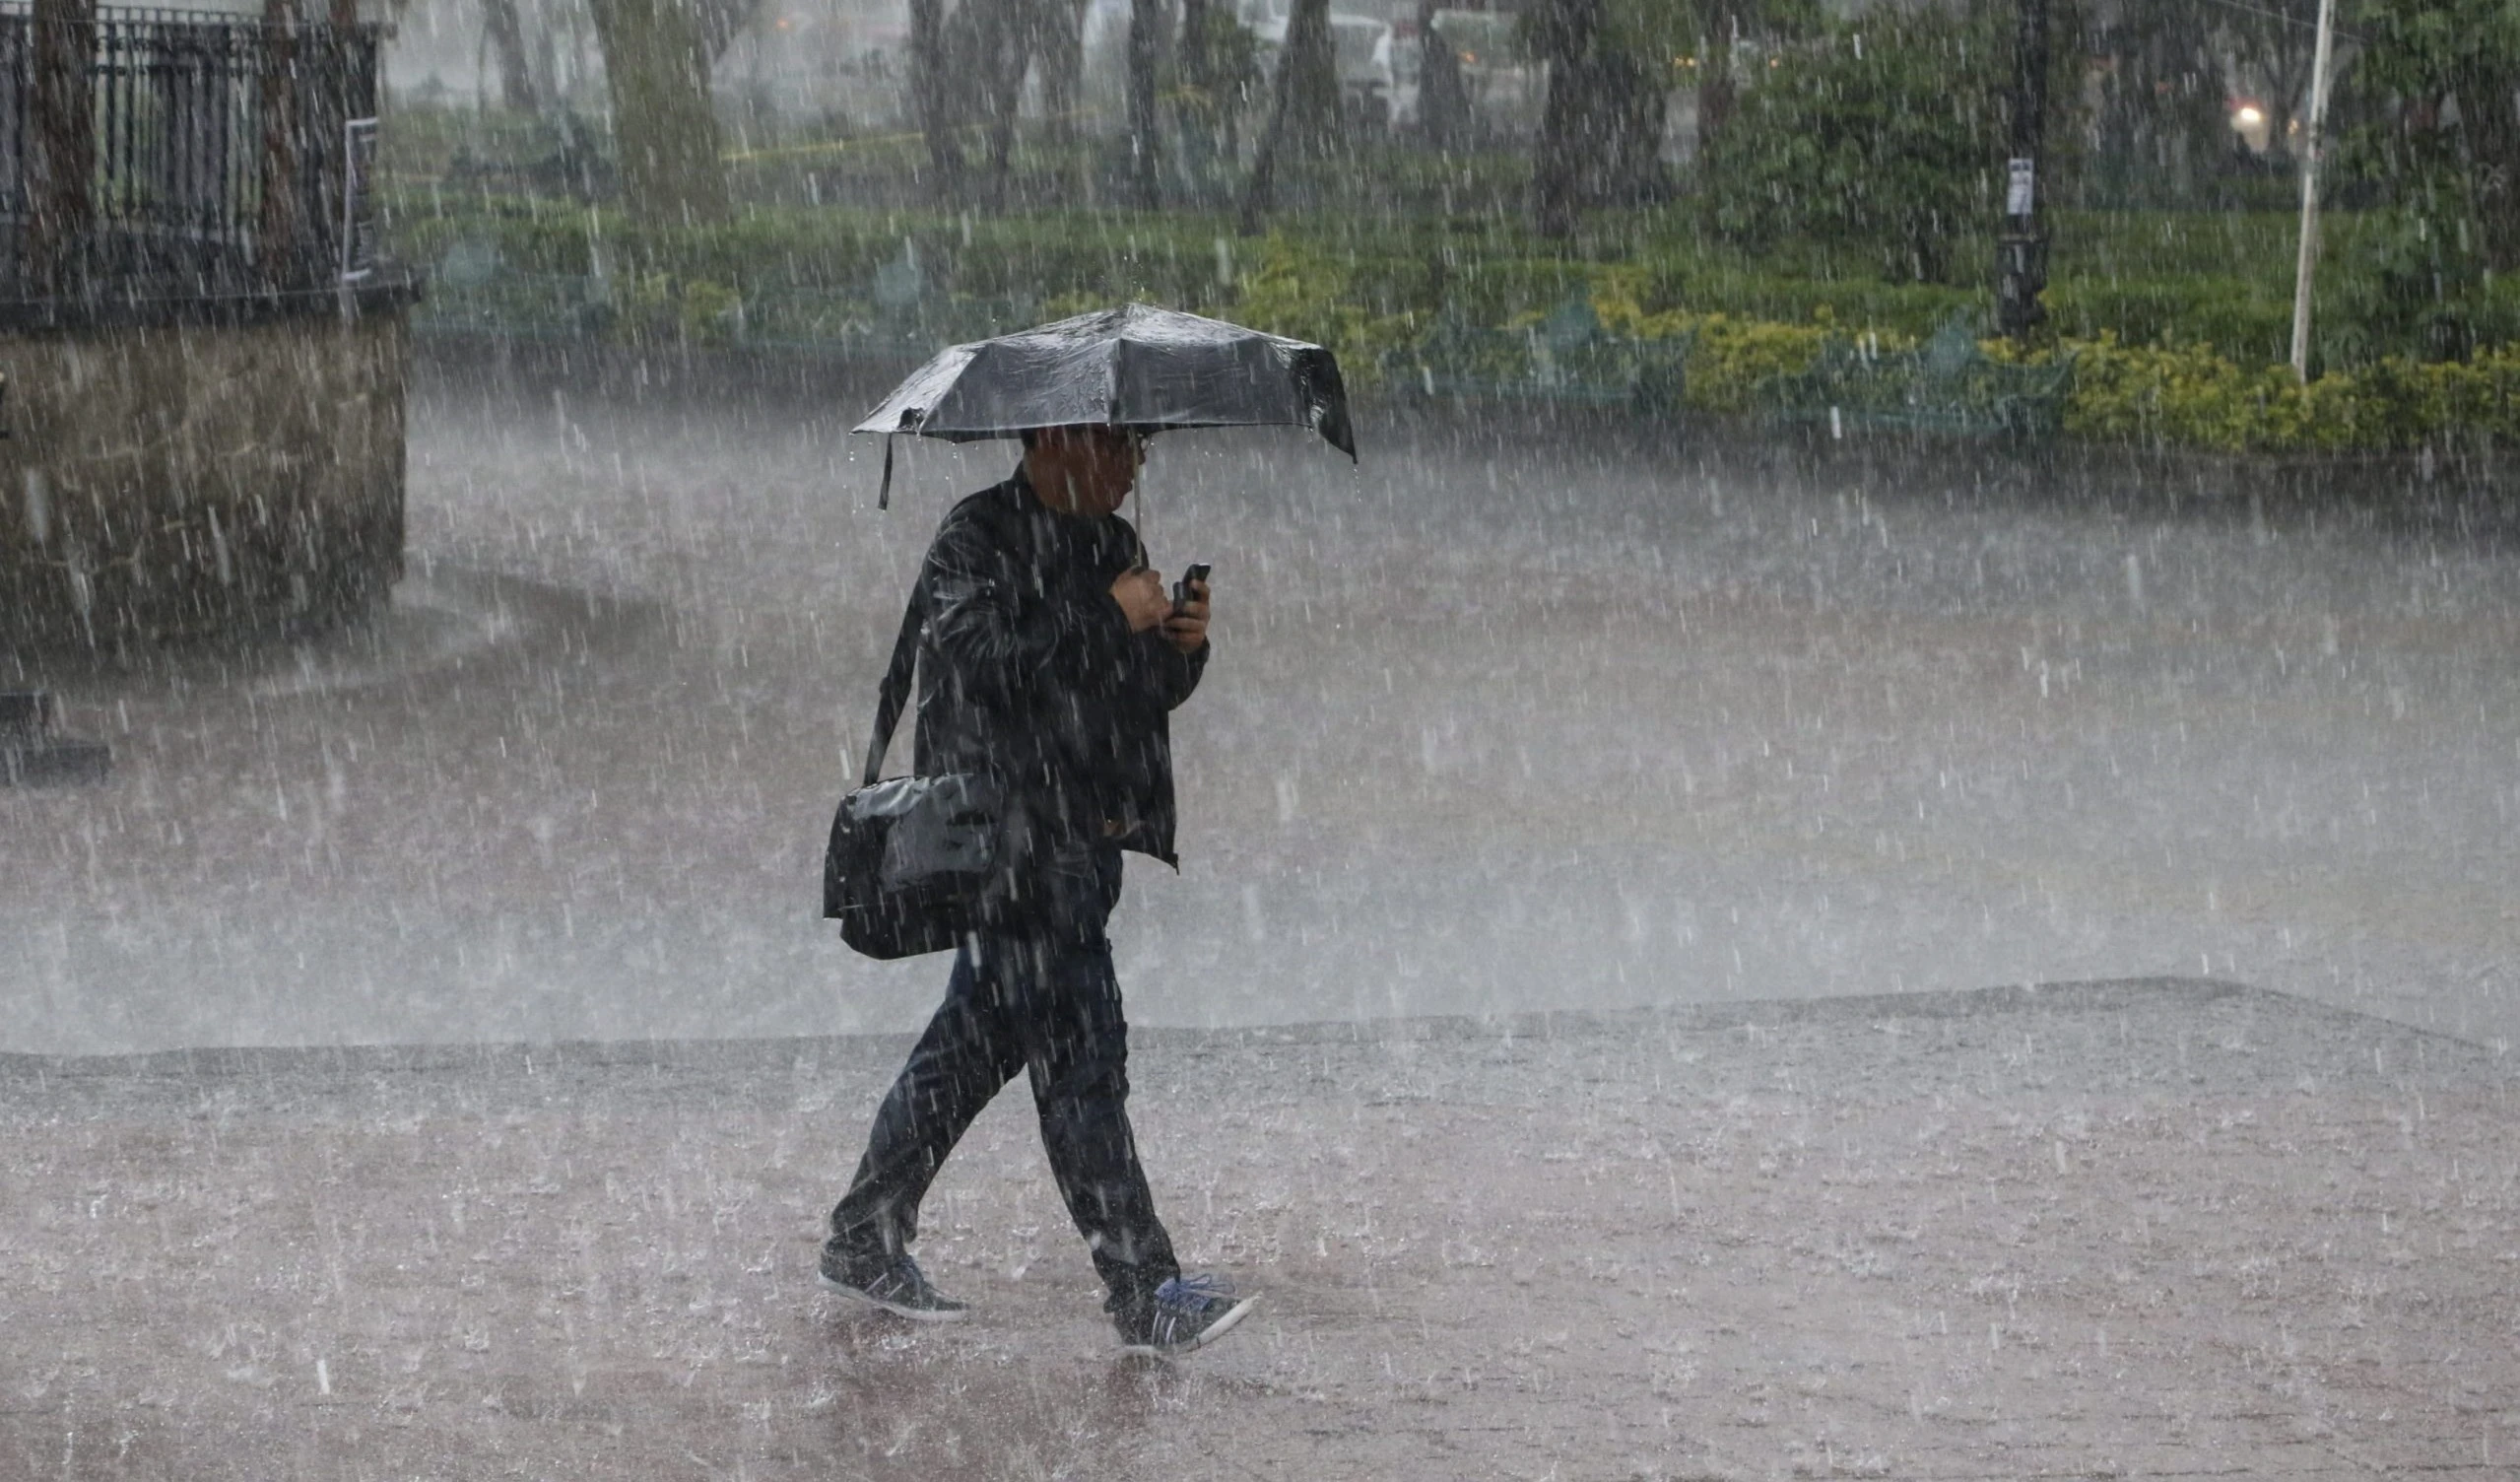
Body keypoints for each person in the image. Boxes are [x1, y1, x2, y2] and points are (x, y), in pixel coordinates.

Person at [820, 423, 1257, 1356]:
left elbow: (1131, 690)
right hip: (1011, 847)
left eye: (1141, 446)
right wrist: (1109, 617)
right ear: (1056, 439)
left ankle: (866, 1233)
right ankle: (1143, 1287)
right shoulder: (973, 537)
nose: (1136, 464)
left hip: (1084, 839)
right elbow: (983, 669)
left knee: (972, 1047)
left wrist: (1180, 647)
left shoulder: (1113, 544)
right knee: (1082, 1063)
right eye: (1120, 444)